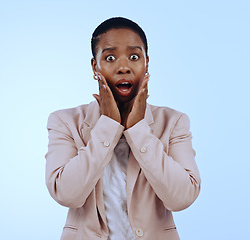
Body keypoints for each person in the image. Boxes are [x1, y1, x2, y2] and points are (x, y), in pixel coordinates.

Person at [45, 17, 201, 240]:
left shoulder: (174, 121)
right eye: (110, 57)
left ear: (146, 62)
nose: (124, 67)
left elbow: (182, 198)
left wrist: (138, 129)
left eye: (134, 57)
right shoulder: (64, 121)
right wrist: (108, 125)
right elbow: (67, 194)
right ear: (94, 66)